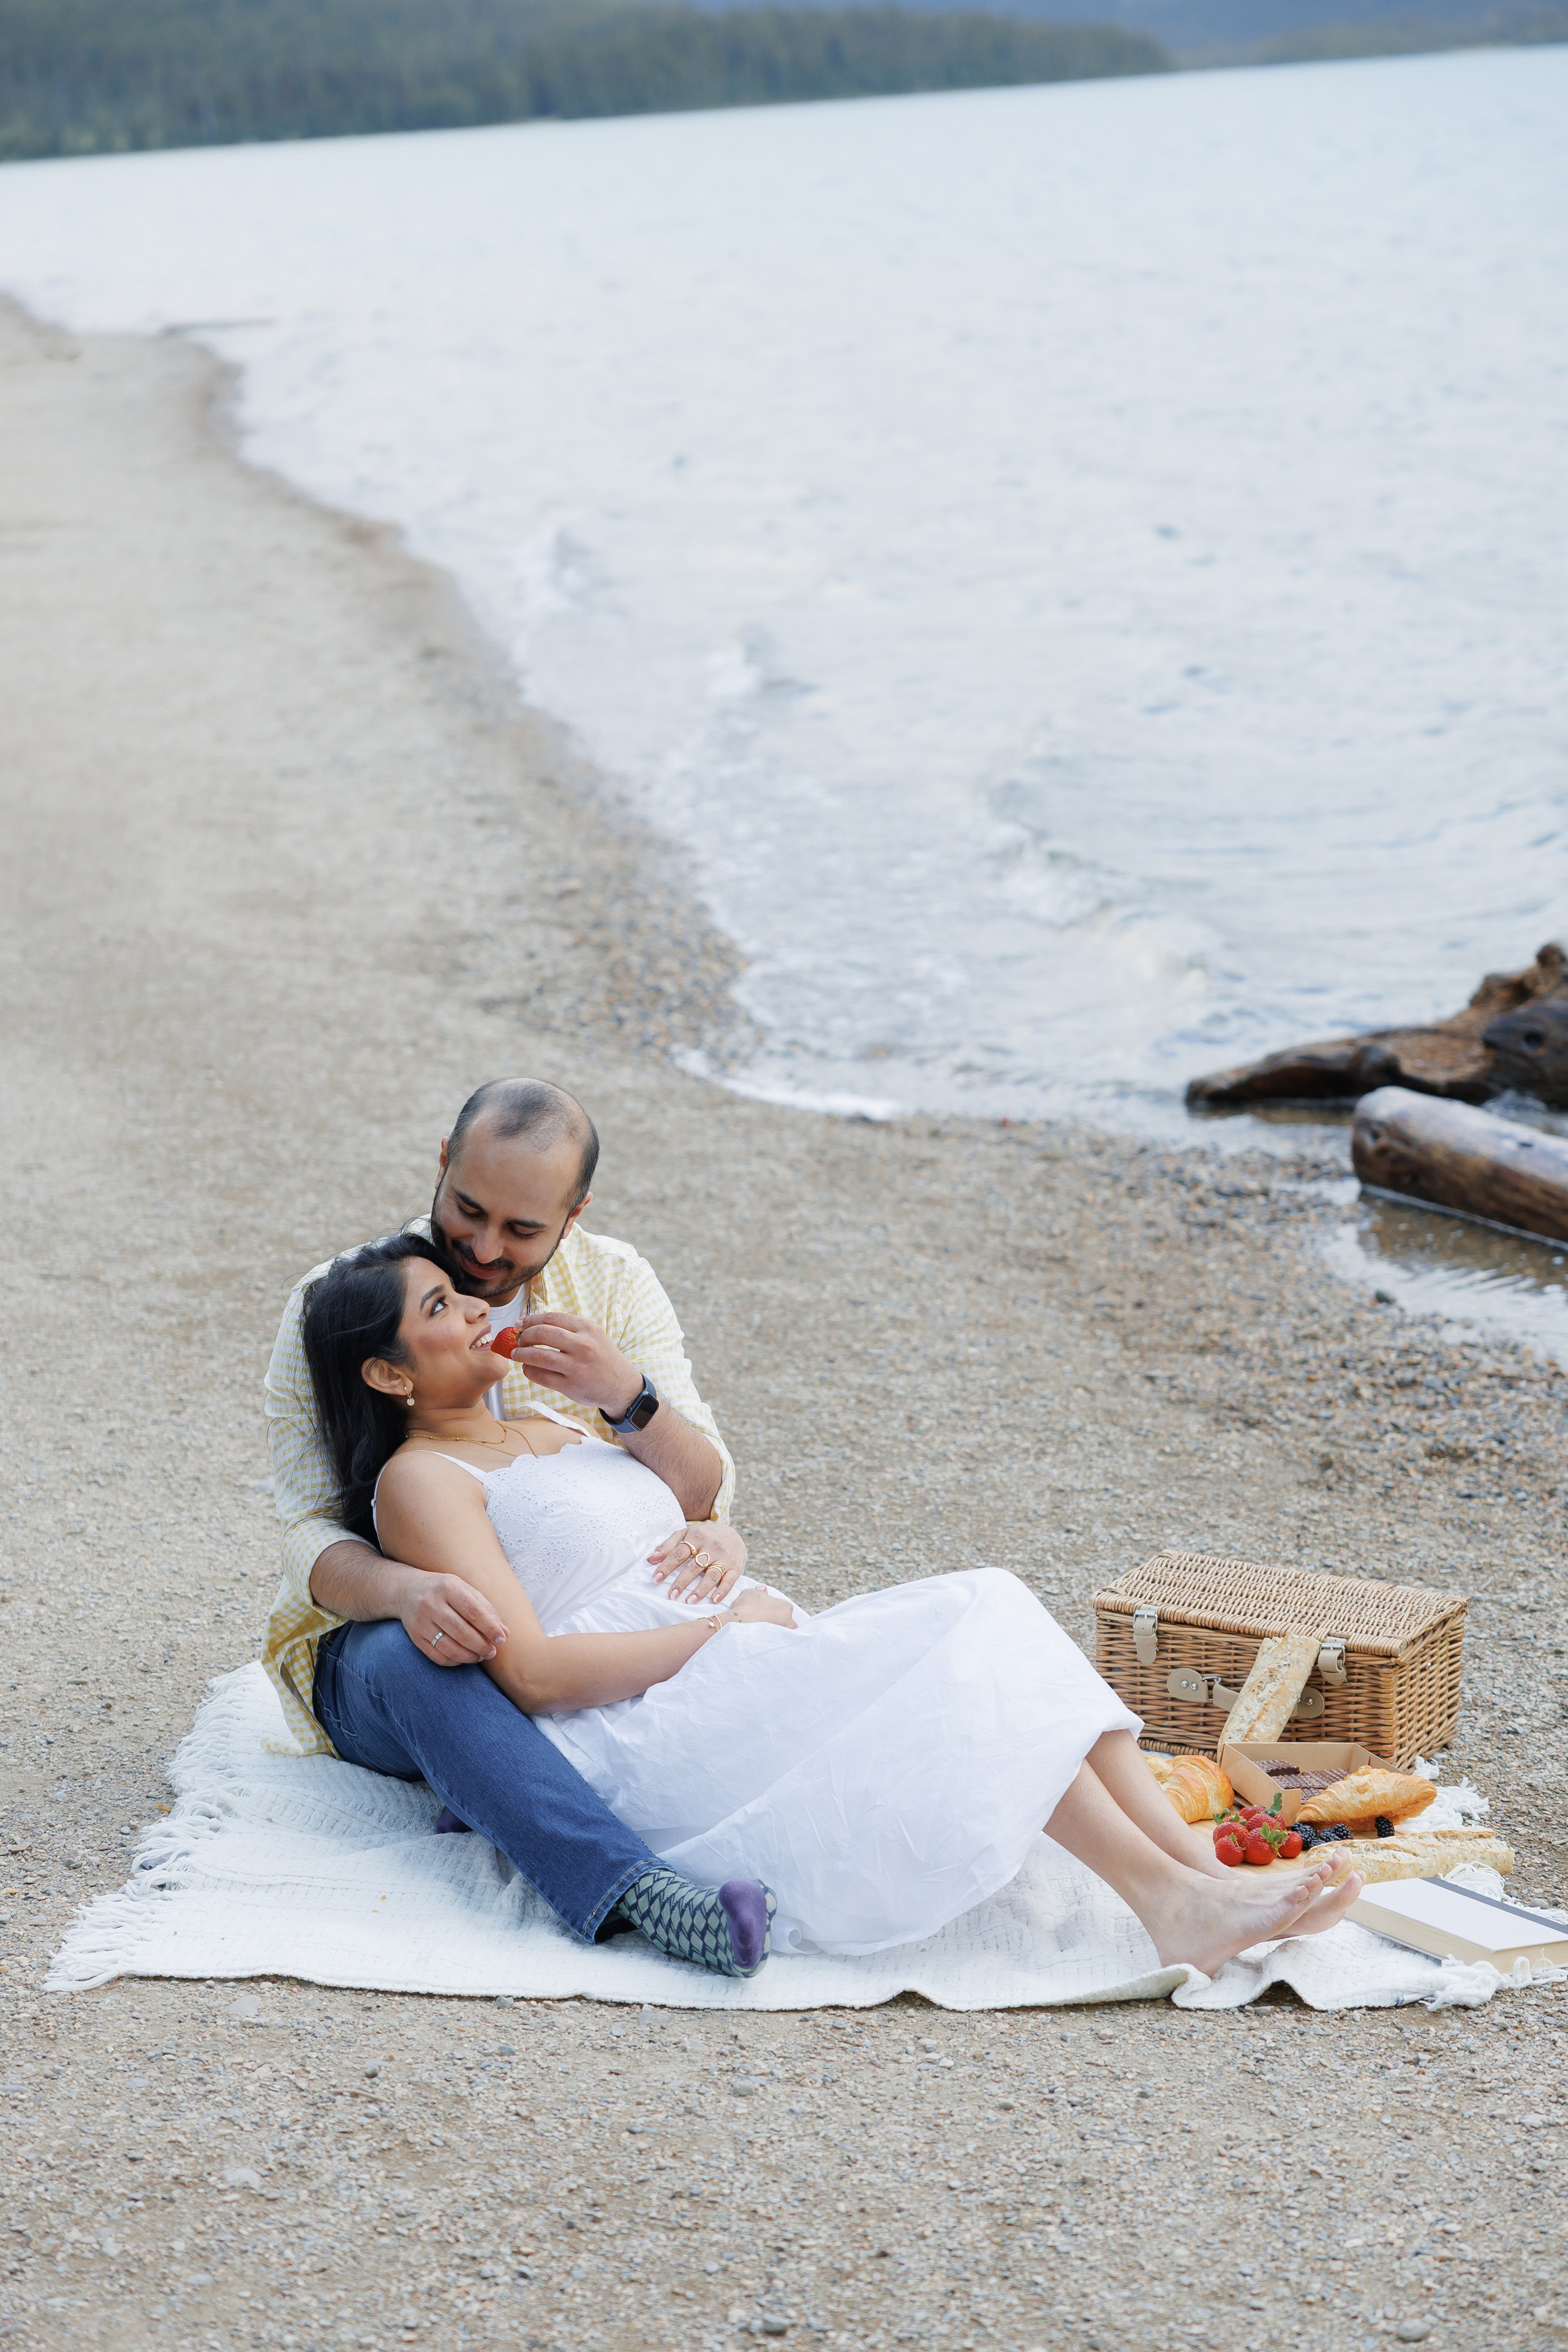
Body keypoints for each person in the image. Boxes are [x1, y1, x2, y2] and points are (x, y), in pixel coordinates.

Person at [303, 1229, 1366, 1974]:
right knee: (970, 1626)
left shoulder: (558, 1423)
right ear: (390, 1377)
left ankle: (1199, 1876)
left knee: (992, 1614)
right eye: (441, 1306)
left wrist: (718, 1536)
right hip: (637, 1722)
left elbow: (684, 1507)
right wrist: (720, 1629)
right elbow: (528, 1676)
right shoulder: (424, 1481)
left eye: (467, 1289)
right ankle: (1170, 1901)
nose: (482, 1304)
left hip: (735, 1654)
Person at [263, 1078, 773, 1978]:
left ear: (574, 1215)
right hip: (399, 1653)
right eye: (467, 1209)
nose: (484, 1250)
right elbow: (306, 1531)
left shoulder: (615, 1285)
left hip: (575, 1633)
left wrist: (629, 1396)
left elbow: (702, 1494)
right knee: (420, 1652)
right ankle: (633, 1893)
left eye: (523, 1230)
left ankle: (491, 1776)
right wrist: (407, 1589)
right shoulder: (345, 1302)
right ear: (442, 1167)